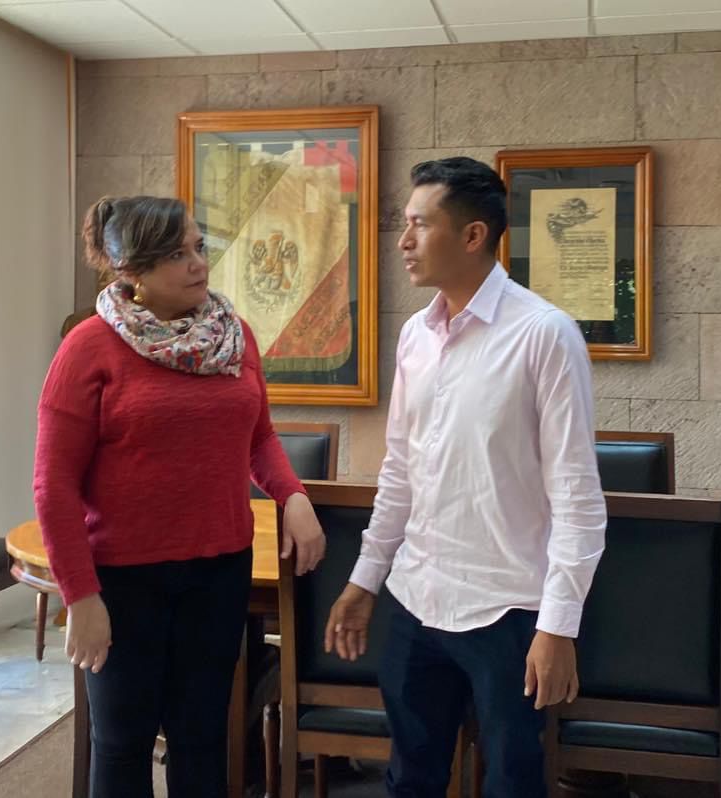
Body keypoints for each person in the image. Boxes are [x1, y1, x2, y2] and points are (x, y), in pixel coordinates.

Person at [324, 158, 607, 798]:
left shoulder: (544, 334)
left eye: (420, 225)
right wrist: (366, 579)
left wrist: (558, 625)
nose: (403, 241)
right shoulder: (415, 336)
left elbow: (577, 498)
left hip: (508, 609)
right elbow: (400, 470)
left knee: (512, 781)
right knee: (409, 778)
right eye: (405, 225)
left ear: (474, 235)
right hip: (416, 596)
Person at [33, 195, 326, 798]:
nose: (198, 263)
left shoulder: (232, 336)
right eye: (176, 254)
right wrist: (81, 596)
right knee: (123, 745)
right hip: (122, 581)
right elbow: (53, 484)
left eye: (198, 246)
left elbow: (260, 437)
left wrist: (293, 496)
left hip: (219, 573)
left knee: (203, 739)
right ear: (132, 270)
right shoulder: (88, 347)